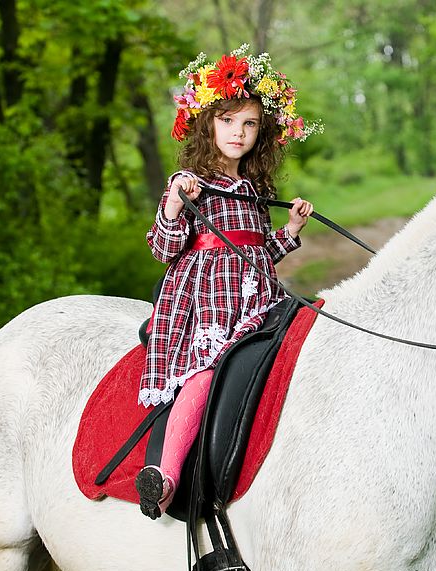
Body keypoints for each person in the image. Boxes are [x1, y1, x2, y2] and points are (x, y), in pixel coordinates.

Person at [135, 46, 322, 519]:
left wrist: (291, 234)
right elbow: (163, 248)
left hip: (255, 298)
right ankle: (166, 475)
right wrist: (176, 205)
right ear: (208, 125)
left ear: (261, 133)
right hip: (207, 306)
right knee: (205, 372)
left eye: (249, 124)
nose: (238, 133)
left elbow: (257, 258)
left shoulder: (256, 190)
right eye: (228, 121)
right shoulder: (189, 180)